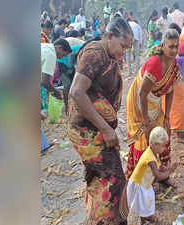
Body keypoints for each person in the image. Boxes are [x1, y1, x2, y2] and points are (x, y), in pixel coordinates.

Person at [67, 18, 133, 225]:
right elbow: (77, 93)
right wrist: (105, 129)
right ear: (110, 36)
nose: (124, 52)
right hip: (87, 130)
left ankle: (97, 217)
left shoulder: (108, 55)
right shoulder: (95, 54)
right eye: (123, 46)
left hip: (95, 128)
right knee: (113, 180)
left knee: (100, 177)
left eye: (128, 48)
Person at [125, 29, 181, 181]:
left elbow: (170, 90)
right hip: (139, 102)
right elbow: (142, 94)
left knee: (164, 131)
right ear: (163, 45)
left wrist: (168, 116)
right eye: (171, 46)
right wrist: (146, 120)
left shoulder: (173, 64)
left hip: (154, 102)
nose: (174, 50)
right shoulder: (155, 63)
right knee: (145, 136)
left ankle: (163, 173)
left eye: (177, 46)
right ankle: (142, 179)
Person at [127, 127, 178, 225]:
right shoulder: (149, 158)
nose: (164, 148)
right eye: (163, 146)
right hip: (139, 185)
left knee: (144, 204)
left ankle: (143, 220)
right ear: (155, 144)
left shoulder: (154, 152)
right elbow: (158, 176)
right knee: (146, 205)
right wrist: (170, 170)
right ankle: (151, 219)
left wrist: (167, 169)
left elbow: (159, 168)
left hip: (144, 184)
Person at [41, 39, 72, 111]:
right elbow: (44, 81)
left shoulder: (45, 46)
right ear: (59, 48)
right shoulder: (51, 54)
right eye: (63, 54)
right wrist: (56, 93)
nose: (61, 57)